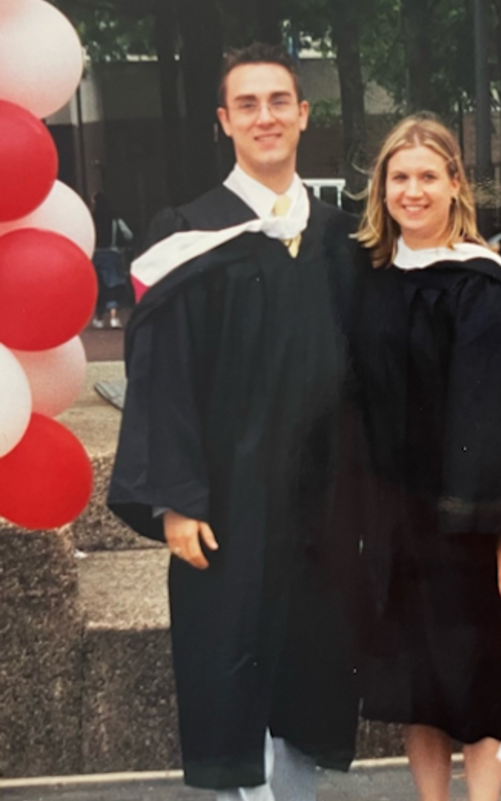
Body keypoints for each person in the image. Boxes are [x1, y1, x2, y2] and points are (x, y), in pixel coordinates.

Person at [108, 43, 362, 799]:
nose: (265, 117)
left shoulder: (341, 238)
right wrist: (177, 499)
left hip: (321, 498)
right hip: (228, 496)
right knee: (232, 656)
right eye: (247, 105)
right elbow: (162, 380)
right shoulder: (188, 235)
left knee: (312, 661)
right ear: (224, 121)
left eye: (279, 101)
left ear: (303, 114)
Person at [350, 113, 501, 801]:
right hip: (396, 521)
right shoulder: (371, 280)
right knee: (416, 684)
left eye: (427, 177)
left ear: (455, 186)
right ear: (382, 188)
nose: (412, 191)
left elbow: (499, 410)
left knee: (478, 677)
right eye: (400, 177)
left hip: (467, 524)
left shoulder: (481, 283)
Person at [89, 191, 133, 329]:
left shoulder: (91, 219)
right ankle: (114, 317)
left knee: (99, 286)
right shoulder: (115, 218)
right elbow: (128, 234)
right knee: (113, 284)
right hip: (112, 254)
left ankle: (99, 318)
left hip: (95, 254)